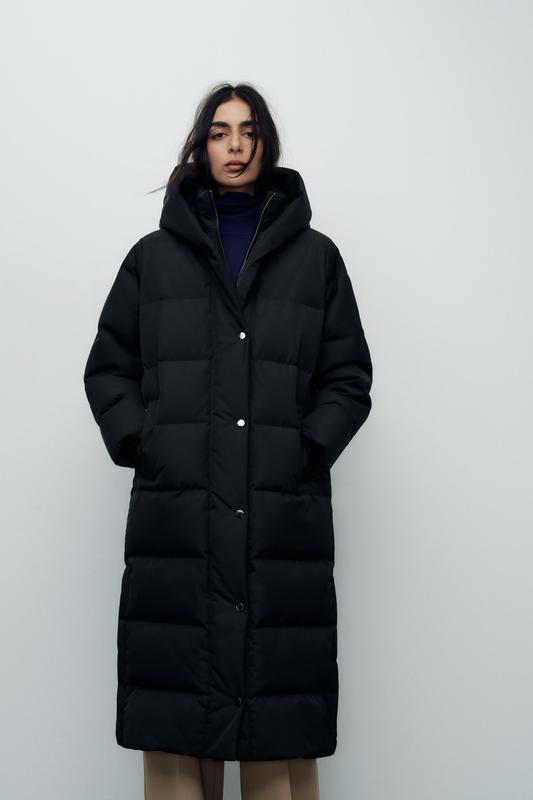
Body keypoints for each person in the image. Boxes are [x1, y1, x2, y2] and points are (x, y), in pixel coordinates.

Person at [83, 81, 373, 799]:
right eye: (219, 132)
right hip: (177, 520)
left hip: (280, 524)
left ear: (266, 143)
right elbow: (109, 367)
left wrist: (306, 450)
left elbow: (347, 376)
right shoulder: (153, 259)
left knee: (277, 731)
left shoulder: (316, 260)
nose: (235, 146)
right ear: (201, 146)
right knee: (178, 731)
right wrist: (145, 444)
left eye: (248, 131)